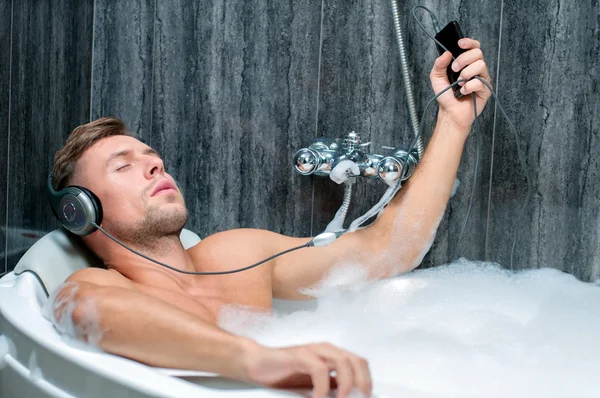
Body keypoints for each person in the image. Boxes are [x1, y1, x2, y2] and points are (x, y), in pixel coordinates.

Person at [48, 38, 491, 398]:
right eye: (123, 166)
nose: (155, 166)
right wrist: (259, 359)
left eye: (153, 157)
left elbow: (387, 250)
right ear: (81, 210)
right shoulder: (100, 286)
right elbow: (89, 314)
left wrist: (454, 123)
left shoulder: (235, 253)